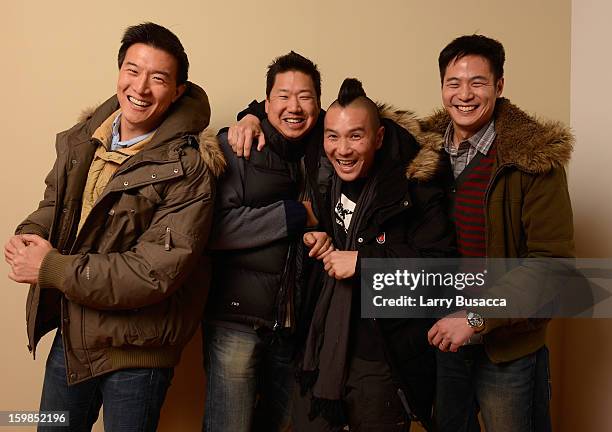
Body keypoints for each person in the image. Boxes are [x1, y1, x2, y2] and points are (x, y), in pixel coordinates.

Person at [4, 22, 224, 432]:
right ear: (119, 72)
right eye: (132, 70)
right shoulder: (84, 140)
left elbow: (153, 272)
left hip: (137, 351)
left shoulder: (190, 167)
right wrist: (29, 233)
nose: (140, 87)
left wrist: (51, 268)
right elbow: (58, 206)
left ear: (177, 91)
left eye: (158, 78)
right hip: (75, 334)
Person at [423, 34, 575, 432]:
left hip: (507, 349)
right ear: (442, 88)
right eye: (454, 83)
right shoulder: (421, 155)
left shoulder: (533, 161)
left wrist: (475, 317)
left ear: (500, 86)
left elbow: (551, 266)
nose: (464, 95)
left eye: (478, 82)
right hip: (442, 342)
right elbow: (353, 134)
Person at [294, 78, 455, 431]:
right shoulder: (321, 173)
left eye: (356, 136)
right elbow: (278, 114)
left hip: (383, 351)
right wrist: (314, 236)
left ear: (379, 138)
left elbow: (441, 269)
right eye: (333, 136)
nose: (343, 149)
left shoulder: (416, 186)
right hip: (322, 347)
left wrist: (364, 262)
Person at [203, 51, 332, 432]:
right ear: (267, 102)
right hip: (236, 322)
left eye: (305, 96)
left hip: (297, 328)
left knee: (277, 424)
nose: (294, 106)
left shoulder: (330, 147)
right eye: (283, 96)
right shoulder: (238, 146)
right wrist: (294, 215)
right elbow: (213, 229)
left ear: (319, 104)